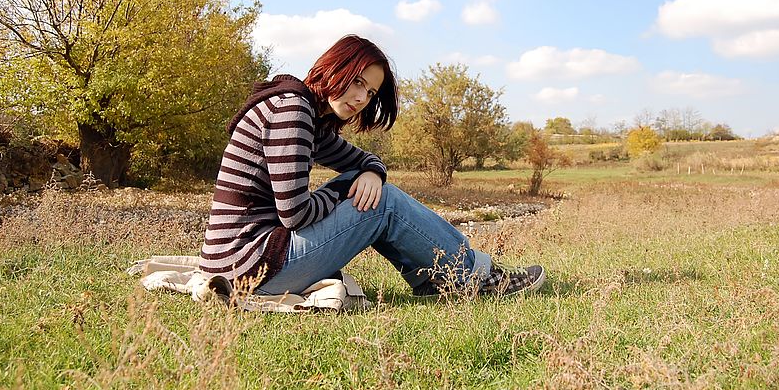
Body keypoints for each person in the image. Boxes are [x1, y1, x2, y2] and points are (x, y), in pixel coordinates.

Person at [199, 34, 545, 298]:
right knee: (384, 203)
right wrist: (345, 188)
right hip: (250, 269)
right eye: (358, 82)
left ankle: (444, 278)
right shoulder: (292, 110)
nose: (363, 98)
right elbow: (295, 215)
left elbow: (364, 160)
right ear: (334, 67)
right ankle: (473, 279)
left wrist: (370, 173)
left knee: (374, 190)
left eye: (372, 93)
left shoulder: (309, 117)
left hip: (244, 263)